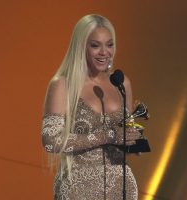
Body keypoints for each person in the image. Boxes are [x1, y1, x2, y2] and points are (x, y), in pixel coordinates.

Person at [41, 14, 141, 199]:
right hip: (78, 189)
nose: (104, 52)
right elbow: (51, 141)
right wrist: (107, 135)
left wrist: (133, 141)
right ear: (81, 47)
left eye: (109, 45)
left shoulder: (121, 83)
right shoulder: (63, 85)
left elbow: (126, 132)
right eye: (95, 45)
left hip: (121, 188)